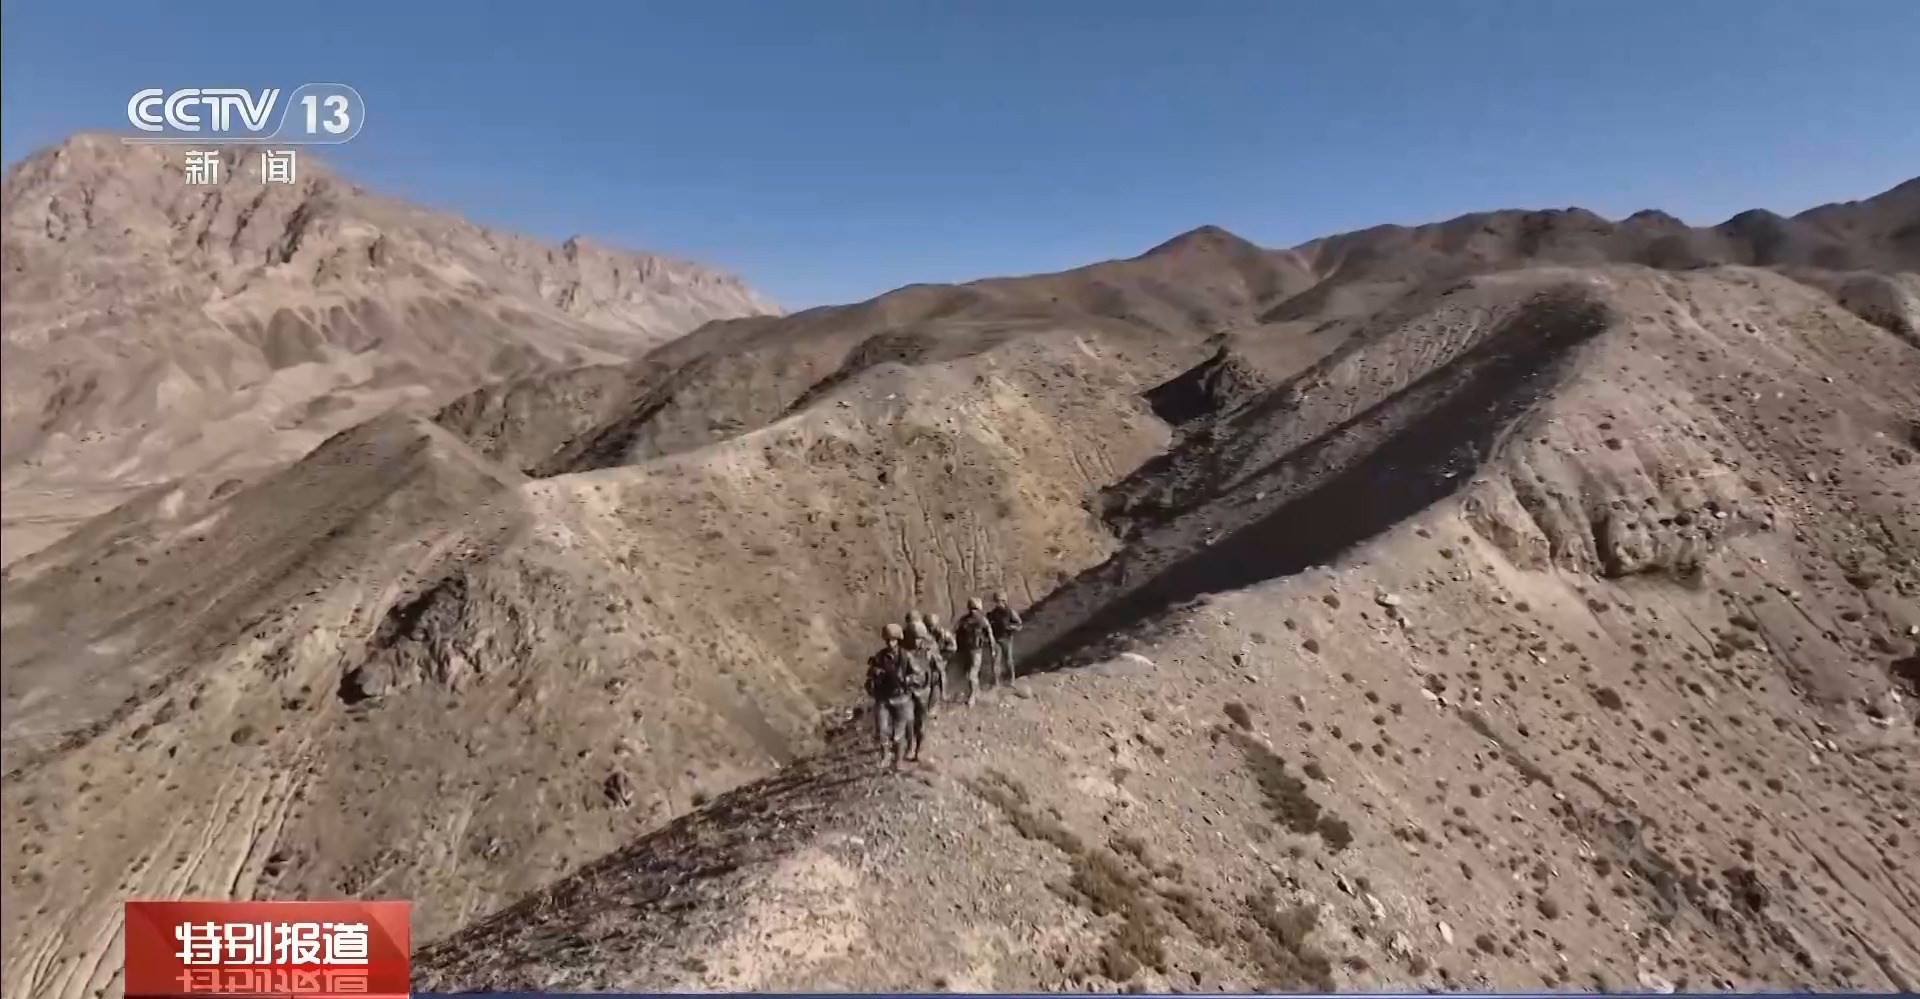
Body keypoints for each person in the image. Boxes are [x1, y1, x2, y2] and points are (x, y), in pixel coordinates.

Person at [864, 622, 914, 770]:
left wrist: (907, 680)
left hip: (901, 698)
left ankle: (898, 761)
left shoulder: (906, 656)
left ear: (898, 639)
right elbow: (869, 675)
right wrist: (875, 673)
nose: (890, 643)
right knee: (881, 730)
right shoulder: (880, 657)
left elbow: (917, 675)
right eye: (887, 640)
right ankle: (885, 756)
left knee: (899, 733)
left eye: (893, 640)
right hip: (883, 699)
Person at [953, 596, 996, 704]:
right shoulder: (967, 620)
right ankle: (973, 692)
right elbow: (956, 633)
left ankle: (973, 695)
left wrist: (992, 649)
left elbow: (990, 635)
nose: (974, 611)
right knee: (968, 673)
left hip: (976, 651)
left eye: (975, 609)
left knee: (972, 674)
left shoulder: (980, 620)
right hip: (968, 650)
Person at [988, 591, 1024, 685]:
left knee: (1008, 660)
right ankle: (996, 682)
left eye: (999, 601)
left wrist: (1010, 627)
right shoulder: (993, 613)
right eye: (996, 601)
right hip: (996, 639)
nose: (997, 603)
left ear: (1004, 601)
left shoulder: (1010, 612)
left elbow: (1019, 624)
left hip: (1006, 639)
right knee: (995, 661)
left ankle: (1011, 680)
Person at [924, 612, 956, 706]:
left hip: (940, 659)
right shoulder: (924, 635)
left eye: (932, 626)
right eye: (928, 626)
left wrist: (943, 654)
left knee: (940, 676)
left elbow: (953, 647)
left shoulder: (944, 634)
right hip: (927, 660)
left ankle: (942, 695)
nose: (931, 628)